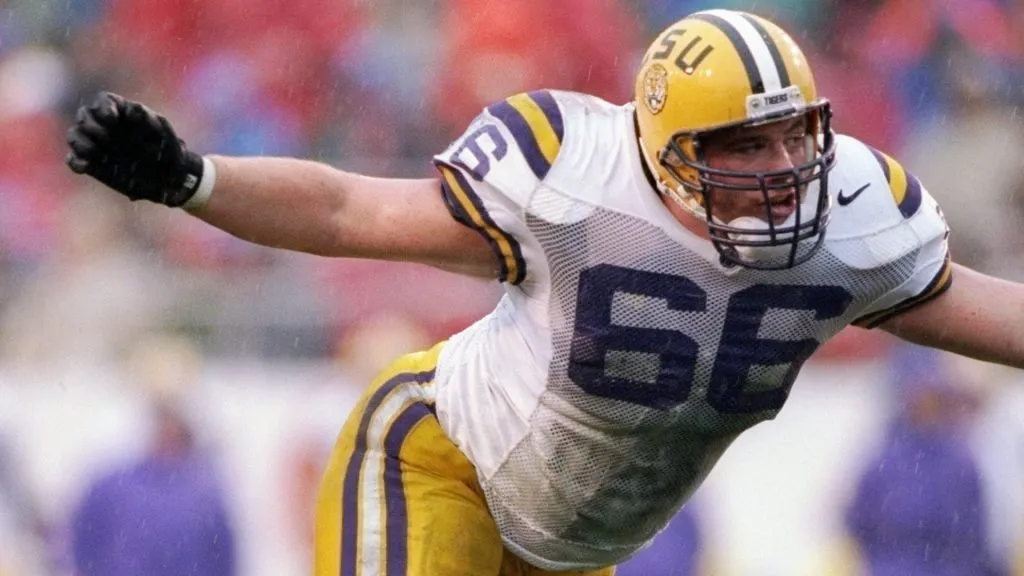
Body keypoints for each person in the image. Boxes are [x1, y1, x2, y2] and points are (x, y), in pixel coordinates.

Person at [64, 8, 1024, 575]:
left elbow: (993, 313)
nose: (780, 169)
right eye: (742, 145)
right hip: (438, 464)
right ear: (666, 150)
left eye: (793, 135)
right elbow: (351, 211)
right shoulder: (577, 180)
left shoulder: (855, 221)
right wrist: (194, 180)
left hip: (572, 549)